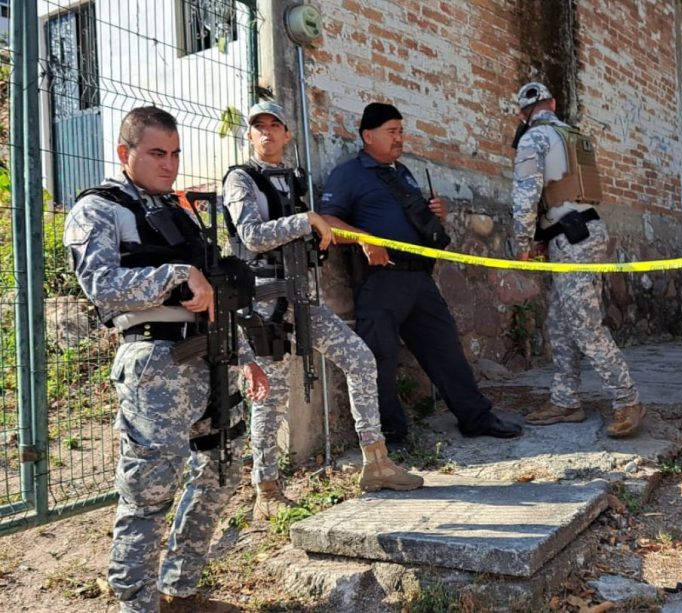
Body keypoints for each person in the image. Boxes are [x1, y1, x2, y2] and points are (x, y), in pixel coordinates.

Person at [63, 106, 269, 613]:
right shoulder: (98, 210)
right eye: (157, 153)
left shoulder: (178, 212)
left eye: (175, 153)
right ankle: (137, 603)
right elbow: (101, 287)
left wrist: (246, 358)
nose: (170, 164)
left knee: (221, 473)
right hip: (157, 365)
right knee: (149, 494)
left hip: (213, 361)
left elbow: (215, 291)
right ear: (124, 153)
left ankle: (181, 591)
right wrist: (175, 275)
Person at [222, 101, 423, 519]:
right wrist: (306, 220)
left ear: (287, 134)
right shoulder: (241, 179)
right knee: (269, 398)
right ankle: (267, 489)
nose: (267, 134)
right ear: (249, 135)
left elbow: (318, 234)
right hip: (265, 304)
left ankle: (376, 461)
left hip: (302, 298)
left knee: (360, 359)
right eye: (258, 127)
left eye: (275, 126)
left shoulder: (294, 179)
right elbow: (252, 236)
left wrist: (327, 231)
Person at [319, 102, 523, 444]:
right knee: (380, 358)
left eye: (401, 131)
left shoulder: (403, 173)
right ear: (368, 136)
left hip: (418, 279)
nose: (399, 138)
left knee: (446, 350)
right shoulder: (349, 174)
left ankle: (476, 418)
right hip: (380, 279)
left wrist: (435, 214)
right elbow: (326, 221)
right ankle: (389, 436)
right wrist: (365, 237)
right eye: (391, 132)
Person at [509, 82, 645, 436]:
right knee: (560, 322)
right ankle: (565, 400)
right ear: (552, 103)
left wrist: (523, 241)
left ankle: (627, 400)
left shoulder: (532, 138)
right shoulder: (573, 136)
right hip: (582, 232)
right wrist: (543, 237)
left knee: (585, 326)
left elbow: (526, 195)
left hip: (572, 239)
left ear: (523, 114)